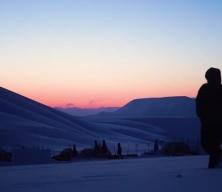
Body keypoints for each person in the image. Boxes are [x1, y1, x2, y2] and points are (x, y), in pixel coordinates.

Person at [196, 67, 222, 168]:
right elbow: (199, 104)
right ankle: (215, 165)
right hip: (208, 123)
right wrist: (202, 117)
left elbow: (199, 104)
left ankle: (214, 168)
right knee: (208, 145)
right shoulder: (205, 88)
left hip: (214, 123)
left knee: (211, 145)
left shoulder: (208, 89)